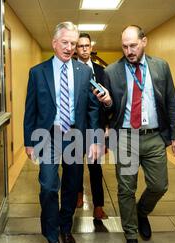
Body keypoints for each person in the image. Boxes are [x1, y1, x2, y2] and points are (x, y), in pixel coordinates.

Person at [24, 22, 111, 243]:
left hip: (76, 136)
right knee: (49, 186)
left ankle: (65, 229)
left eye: (73, 44)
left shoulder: (84, 73)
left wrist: (96, 140)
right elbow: (30, 110)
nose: (70, 48)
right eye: (65, 43)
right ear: (54, 43)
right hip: (47, 135)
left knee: (72, 187)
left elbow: (93, 109)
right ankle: (51, 239)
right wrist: (29, 141)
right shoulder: (37, 72)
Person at [102, 25, 175, 243]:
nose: (129, 51)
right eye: (125, 47)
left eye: (133, 45)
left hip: (153, 136)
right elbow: (106, 108)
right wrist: (107, 110)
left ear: (144, 42)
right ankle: (130, 236)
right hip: (126, 137)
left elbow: (170, 101)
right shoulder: (111, 71)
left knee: (159, 185)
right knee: (126, 188)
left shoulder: (160, 66)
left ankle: (141, 212)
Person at [75, 32, 108, 220]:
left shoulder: (101, 71)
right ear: (76, 49)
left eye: (87, 45)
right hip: (76, 127)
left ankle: (98, 206)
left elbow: (108, 100)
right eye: (80, 46)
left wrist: (107, 125)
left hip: (95, 126)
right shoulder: (70, 70)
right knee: (76, 164)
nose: (84, 49)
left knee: (95, 167)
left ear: (91, 47)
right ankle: (78, 195)